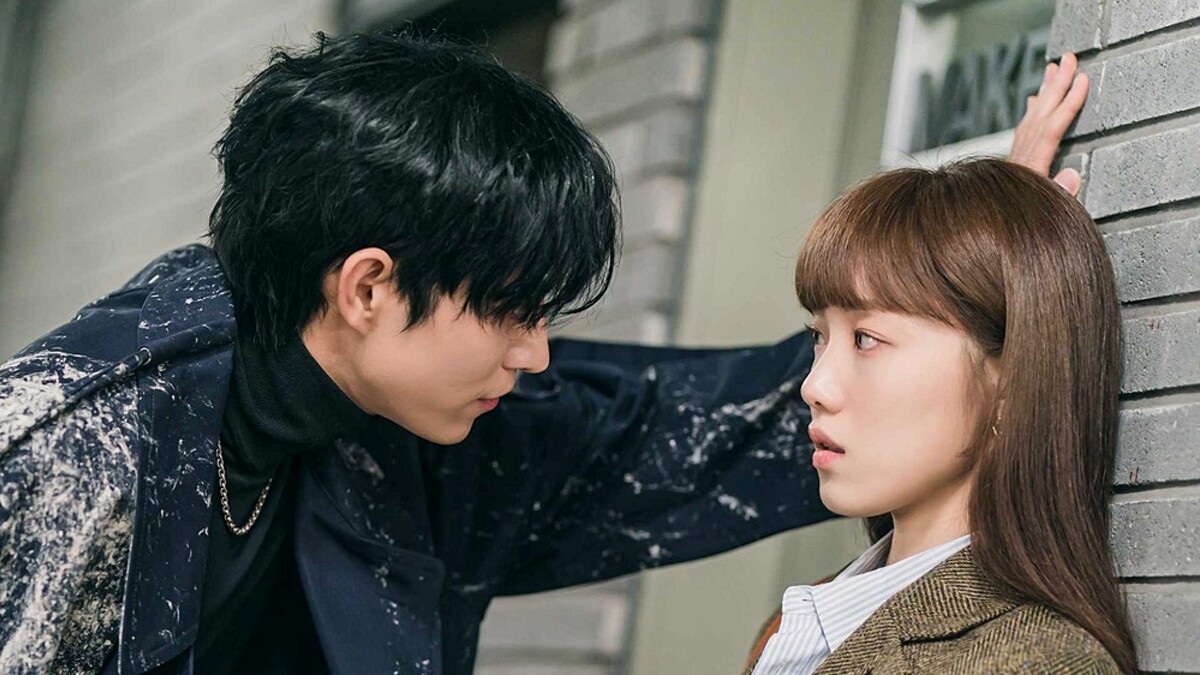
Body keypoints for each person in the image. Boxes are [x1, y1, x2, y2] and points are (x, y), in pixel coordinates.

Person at [0, 31, 1087, 675]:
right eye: (512, 310)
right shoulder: (62, 453)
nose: (535, 354)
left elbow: (701, 432)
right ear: (368, 288)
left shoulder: (431, 428)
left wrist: (961, 265)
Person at [743, 158, 1136, 674]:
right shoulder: (803, 620)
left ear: (1011, 379)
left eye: (866, 339)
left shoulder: (1037, 663)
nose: (814, 386)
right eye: (820, 336)